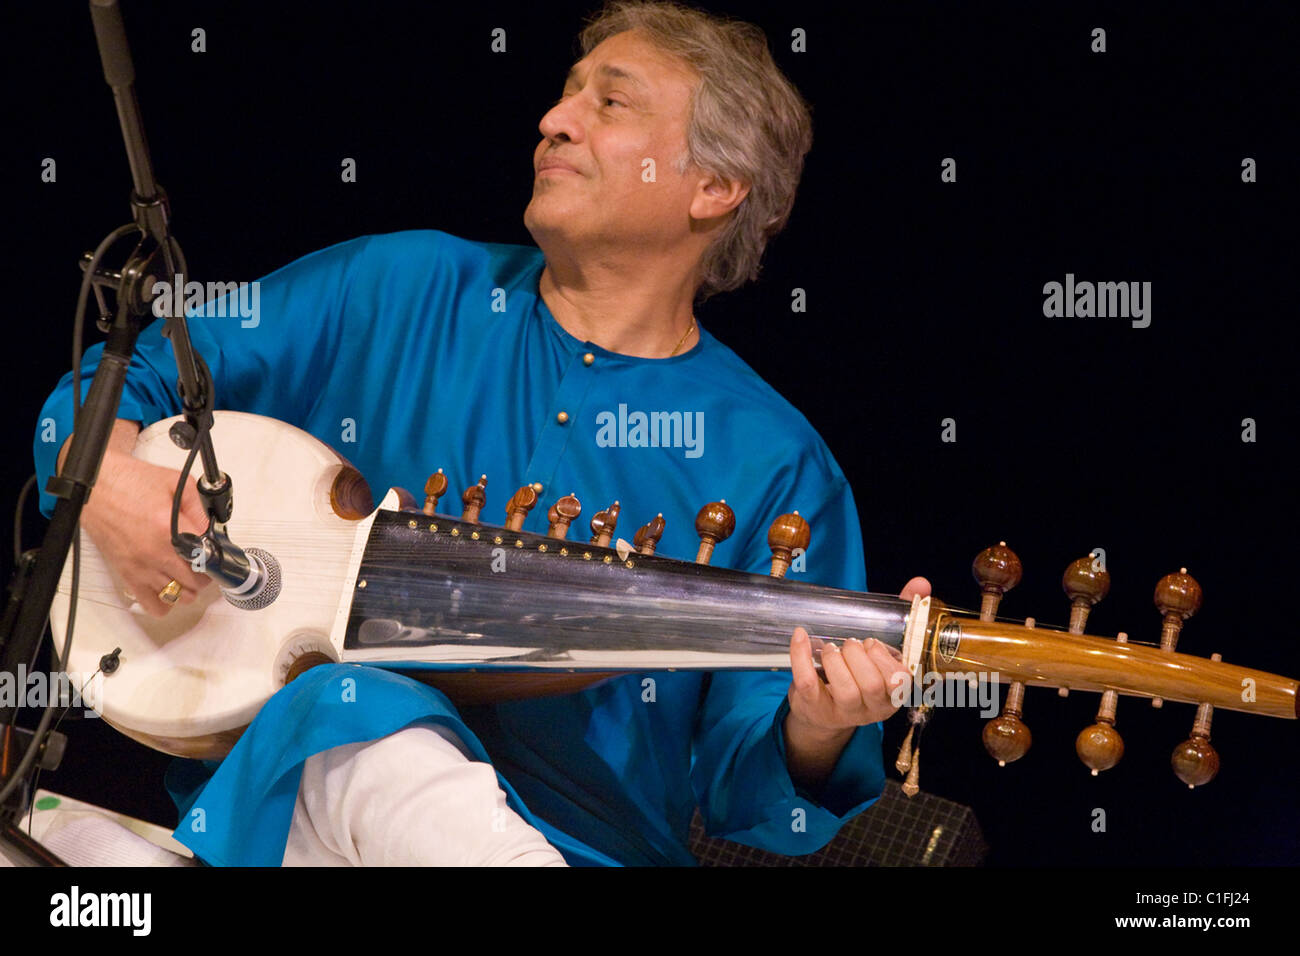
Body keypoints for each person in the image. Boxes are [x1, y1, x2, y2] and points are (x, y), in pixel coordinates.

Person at [33, 1, 924, 865]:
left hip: (581, 845)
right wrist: (109, 482)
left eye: (608, 102)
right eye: (566, 92)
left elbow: (755, 799)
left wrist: (817, 723)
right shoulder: (399, 286)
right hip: (305, 811)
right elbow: (126, 379)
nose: (553, 120)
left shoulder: (772, 458)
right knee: (349, 705)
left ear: (714, 187)